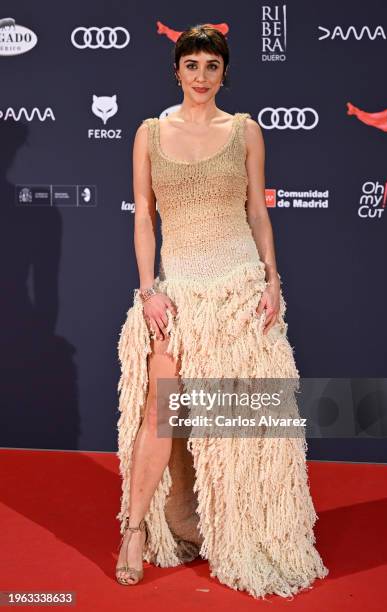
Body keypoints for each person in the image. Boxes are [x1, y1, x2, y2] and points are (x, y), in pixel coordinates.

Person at [115, 24, 328, 599]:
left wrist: (272, 278)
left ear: (223, 73)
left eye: (212, 66)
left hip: (238, 288)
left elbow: (259, 213)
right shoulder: (150, 133)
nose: (202, 76)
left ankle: (241, 527)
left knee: (243, 422)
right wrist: (148, 290)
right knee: (162, 412)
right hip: (180, 293)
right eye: (192, 66)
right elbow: (143, 218)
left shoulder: (246, 132)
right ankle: (133, 530)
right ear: (177, 71)